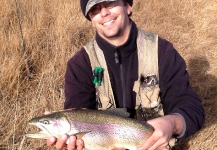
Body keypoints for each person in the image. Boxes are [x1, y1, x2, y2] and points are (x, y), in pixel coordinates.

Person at [47, 0, 205, 149]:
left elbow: (192, 109)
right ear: (91, 19)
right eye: (95, 9)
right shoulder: (80, 64)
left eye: (110, 2)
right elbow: (77, 112)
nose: (104, 13)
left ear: (127, 6)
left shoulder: (162, 52)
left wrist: (172, 123)